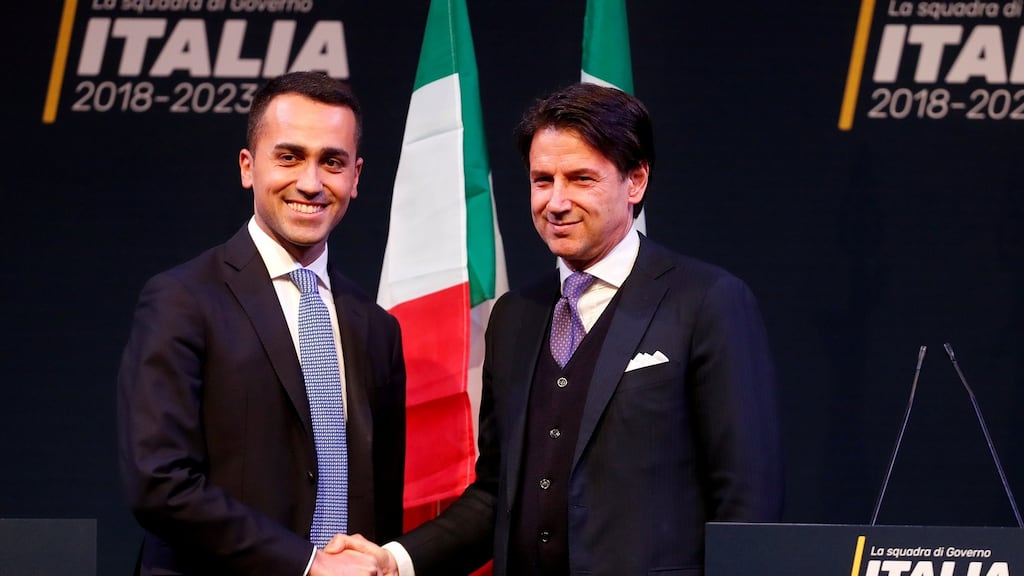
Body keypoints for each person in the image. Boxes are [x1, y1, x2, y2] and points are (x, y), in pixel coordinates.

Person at [338, 81, 784, 576]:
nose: (556, 201)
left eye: (580, 179)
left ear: (635, 181)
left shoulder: (707, 302)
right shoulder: (514, 316)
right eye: (542, 180)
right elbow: (496, 495)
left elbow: (747, 501)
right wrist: (394, 560)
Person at [117, 71, 406, 576]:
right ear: (248, 167)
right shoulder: (182, 300)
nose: (311, 183)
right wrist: (307, 564)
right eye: (289, 157)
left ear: (356, 176)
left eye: (332, 162)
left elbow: (380, 501)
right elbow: (160, 483)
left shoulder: (377, 328)